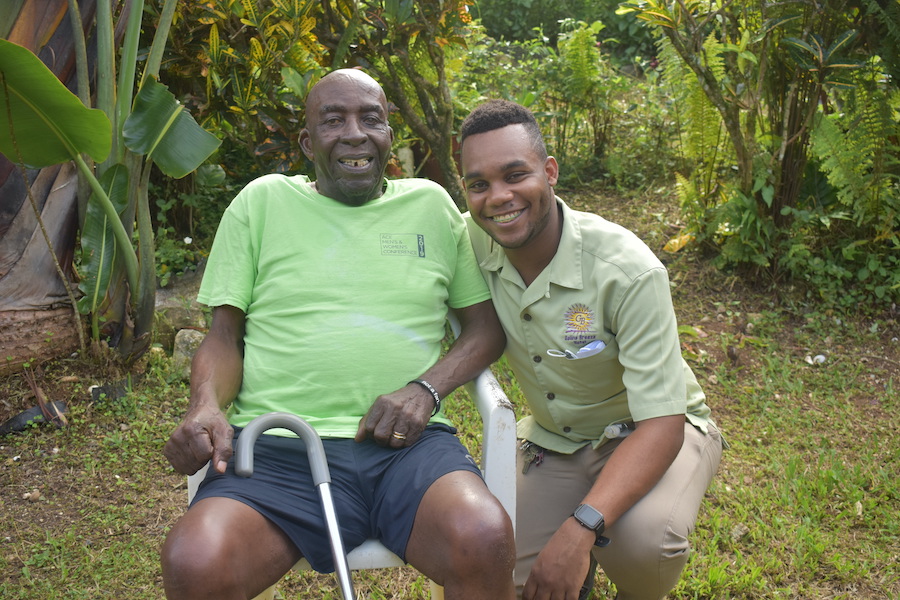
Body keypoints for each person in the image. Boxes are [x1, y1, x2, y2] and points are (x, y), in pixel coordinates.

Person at [161, 69, 516, 600]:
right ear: (308, 143)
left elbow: (484, 330)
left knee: (483, 538)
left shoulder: (430, 205)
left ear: (389, 134)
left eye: (371, 119)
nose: (355, 133)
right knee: (195, 562)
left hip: (407, 450)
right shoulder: (261, 203)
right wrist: (205, 404)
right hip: (277, 451)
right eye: (333, 121)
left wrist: (425, 390)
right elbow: (224, 336)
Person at [458, 99, 724, 600]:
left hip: (649, 430)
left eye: (515, 175)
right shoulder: (467, 243)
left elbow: (661, 421)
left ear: (550, 171)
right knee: (492, 561)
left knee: (644, 545)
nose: (499, 197)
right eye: (479, 184)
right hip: (554, 439)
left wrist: (580, 529)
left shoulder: (627, 270)